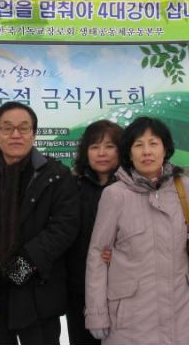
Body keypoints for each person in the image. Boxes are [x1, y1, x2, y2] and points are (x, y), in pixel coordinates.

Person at [85, 116, 189, 344]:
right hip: (129, 319)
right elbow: (98, 255)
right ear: (129, 153)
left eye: (154, 143)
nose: (146, 151)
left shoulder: (184, 188)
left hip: (180, 315)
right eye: (138, 145)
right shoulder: (114, 195)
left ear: (165, 150)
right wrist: (97, 314)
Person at [0, 101, 79, 344]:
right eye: (7, 128)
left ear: (34, 134)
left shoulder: (57, 175)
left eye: (24, 128)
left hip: (39, 291)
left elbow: (64, 227)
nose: (15, 134)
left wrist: (23, 266)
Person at [66, 120, 123, 345]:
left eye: (109, 146)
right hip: (81, 289)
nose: (101, 153)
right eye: (94, 147)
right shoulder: (71, 187)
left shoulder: (133, 187)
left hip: (125, 290)